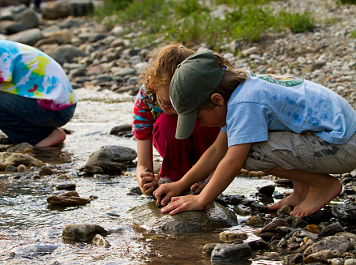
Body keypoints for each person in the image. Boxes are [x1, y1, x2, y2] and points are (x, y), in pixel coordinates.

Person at [153, 50, 356, 217]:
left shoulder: (244, 103)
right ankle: (301, 191)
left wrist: (200, 199)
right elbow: (217, 149)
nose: (202, 125)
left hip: (342, 145)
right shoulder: (243, 90)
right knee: (247, 140)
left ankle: (323, 185)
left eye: (198, 118)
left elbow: (232, 160)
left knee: (250, 153)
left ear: (216, 100)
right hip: (338, 135)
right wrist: (181, 184)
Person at [133, 44, 222, 195]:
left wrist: (214, 179)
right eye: (168, 103)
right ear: (153, 83)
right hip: (173, 142)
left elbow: (226, 141)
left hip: (209, 145)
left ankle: (206, 174)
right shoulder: (145, 99)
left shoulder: (205, 88)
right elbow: (142, 163)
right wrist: (144, 179)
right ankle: (173, 175)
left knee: (207, 115)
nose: (177, 110)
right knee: (168, 121)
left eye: (182, 104)